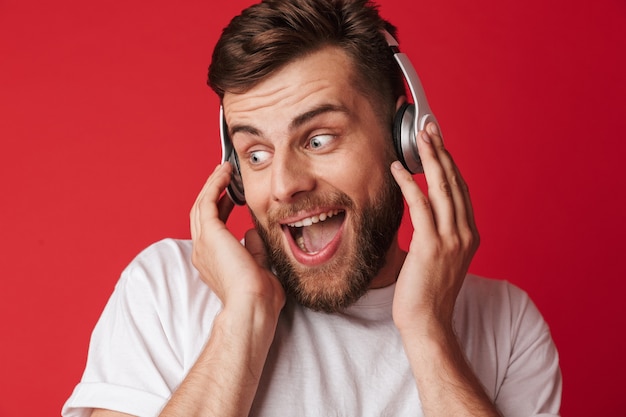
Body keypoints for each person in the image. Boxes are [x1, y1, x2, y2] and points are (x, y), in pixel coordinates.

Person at [62, 0, 562, 416]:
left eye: (319, 139)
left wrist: (429, 328)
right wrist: (244, 317)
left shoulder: (505, 323)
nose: (282, 186)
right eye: (255, 154)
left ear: (404, 139)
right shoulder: (167, 290)